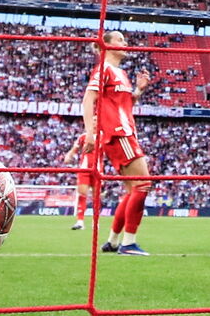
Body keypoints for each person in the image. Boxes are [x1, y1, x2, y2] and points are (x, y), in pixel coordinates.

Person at [83, 32, 152, 256]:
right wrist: (90, 134)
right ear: (107, 45)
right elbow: (88, 99)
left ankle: (113, 242)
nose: (125, 44)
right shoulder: (103, 69)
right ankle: (129, 243)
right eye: (121, 40)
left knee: (133, 190)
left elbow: (124, 103)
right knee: (143, 185)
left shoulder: (121, 73)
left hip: (125, 130)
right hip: (117, 133)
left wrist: (139, 90)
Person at [64, 132, 97, 230]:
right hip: (84, 169)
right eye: (93, 120)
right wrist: (69, 156)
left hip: (98, 170)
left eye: (96, 120)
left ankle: (95, 222)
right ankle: (80, 221)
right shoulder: (83, 136)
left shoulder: (103, 136)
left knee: (96, 197)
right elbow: (74, 149)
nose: (95, 122)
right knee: (82, 194)